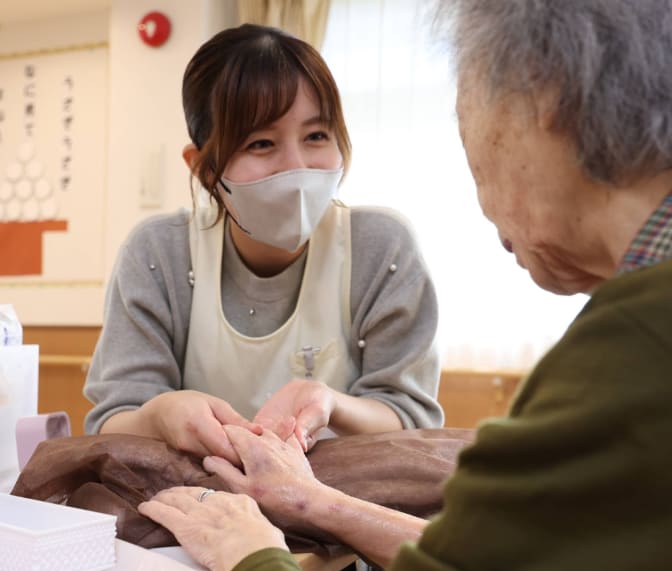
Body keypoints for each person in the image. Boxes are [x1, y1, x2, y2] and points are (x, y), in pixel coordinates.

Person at [140, 0, 672, 571]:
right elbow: (520, 561)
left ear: (545, 108)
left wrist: (247, 551)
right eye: (260, 143)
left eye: (471, 140)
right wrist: (318, 503)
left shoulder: (652, 344)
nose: (485, 204)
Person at [83, 24, 443, 463]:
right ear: (203, 168)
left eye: (316, 136)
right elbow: (113, 420)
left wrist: (329, 403)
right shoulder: (159, 253)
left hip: (339, 495)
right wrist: (160, 415)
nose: (296, 167)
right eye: (261, 143)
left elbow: (411, 415)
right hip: (194, 494)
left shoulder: (380, 248)